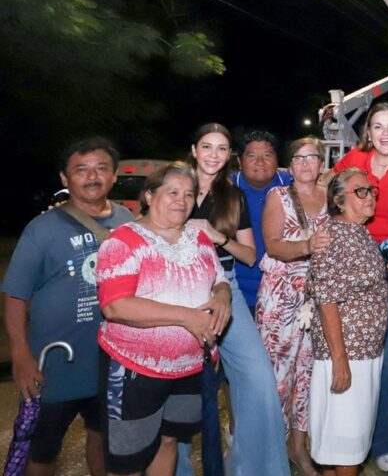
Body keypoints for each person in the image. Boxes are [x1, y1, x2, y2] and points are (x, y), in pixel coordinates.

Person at [2, 137, 132, 476]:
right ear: (64, 178)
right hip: (54, 364)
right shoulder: (42, 229)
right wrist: (20, 353)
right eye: (81, 169)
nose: (92, 176)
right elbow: (15, 295)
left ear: (114, 175)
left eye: (101, 168)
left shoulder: (128, 220)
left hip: (110, 361)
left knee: (103, 439)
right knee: (42, 451)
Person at [96, 161, 232, 475]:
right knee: (127, 461)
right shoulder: (123, 240)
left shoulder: (198, 238)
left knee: (169, 440)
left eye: (189, 194)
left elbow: (220, 278)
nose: (181, 201)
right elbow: (115, 306)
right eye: (172, 192)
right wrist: (186, 317)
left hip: (190, 367)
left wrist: (222, 298)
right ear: (149, 195)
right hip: (134, 368)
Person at [185, 123, 290, 476]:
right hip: (179, 290)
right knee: (182, 392)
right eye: (206, 146)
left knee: (260, 381)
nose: (213, 155)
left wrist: (217, 236)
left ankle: (256, 468)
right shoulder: (174, 186)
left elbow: (249, 255)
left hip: (225, 286)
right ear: (194, 150)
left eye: (221, 148)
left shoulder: (233, 196)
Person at [331, 101, 388, 472]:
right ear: (368, 132)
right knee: (344, 351)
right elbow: (327, 194)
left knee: (380, 356)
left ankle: (381, 439)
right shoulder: (354, 160)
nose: (385, 133)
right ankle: (343, 433)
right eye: (378, 126)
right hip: (351, 265)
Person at [308, 167, 388, 475]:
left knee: (342, 441)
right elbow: (326, 299)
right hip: (347, 353)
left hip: (364, 352)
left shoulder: (358, 231)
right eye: (361, 191)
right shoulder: (332, 236)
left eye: (371, 190)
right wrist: (340, 360)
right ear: (338, 200)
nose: (370, 196)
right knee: (346, 444)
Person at [257, 137, 331, 476]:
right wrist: (307, 246)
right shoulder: (279, 196)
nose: (305, 164)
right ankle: (270, 447)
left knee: (308, 374)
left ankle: (298, 447)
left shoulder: (331, 195)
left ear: (321, 163)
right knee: (277, 376)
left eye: (311, 157)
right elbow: (273, 245)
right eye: (298, 158)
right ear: (290, 166)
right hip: (281, 297)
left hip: (316, 297)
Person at [232, 130, 293, 308]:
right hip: (236, 291)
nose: (260, 162)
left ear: (277, 160)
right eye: (251, 156)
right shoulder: (226, 189)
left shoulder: (293, 184)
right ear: (239, 161)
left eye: (267, 155)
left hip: (285, 290)